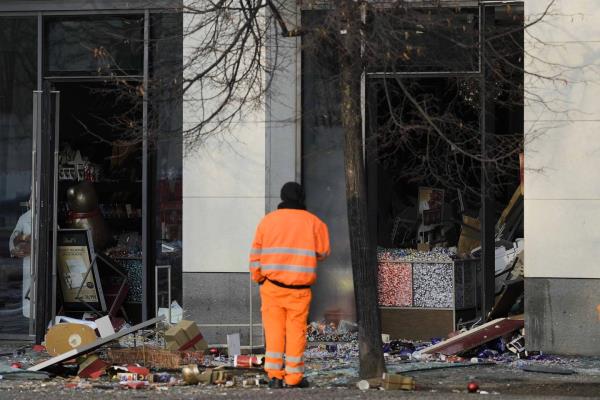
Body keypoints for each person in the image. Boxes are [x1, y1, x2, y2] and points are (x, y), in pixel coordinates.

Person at [249, 182, 330, 388]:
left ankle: (274, 376)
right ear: (302, 198)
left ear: (282, 197)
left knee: (274, 331)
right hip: (299, 291)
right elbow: (323, 253)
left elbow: (255, 255)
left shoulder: (267, 222)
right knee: (296, 333)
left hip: (271, 288)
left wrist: (258, 277)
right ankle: (293, 378)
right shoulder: (314, 223)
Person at [9, 197, 32, 318]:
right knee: (28, 286)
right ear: (29, 202)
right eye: (32, 199)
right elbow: (15, 234)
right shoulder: (24, 218)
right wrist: (14, 250)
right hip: (28, 260)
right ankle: (28, 314)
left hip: (43, 258)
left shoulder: (48, 216)